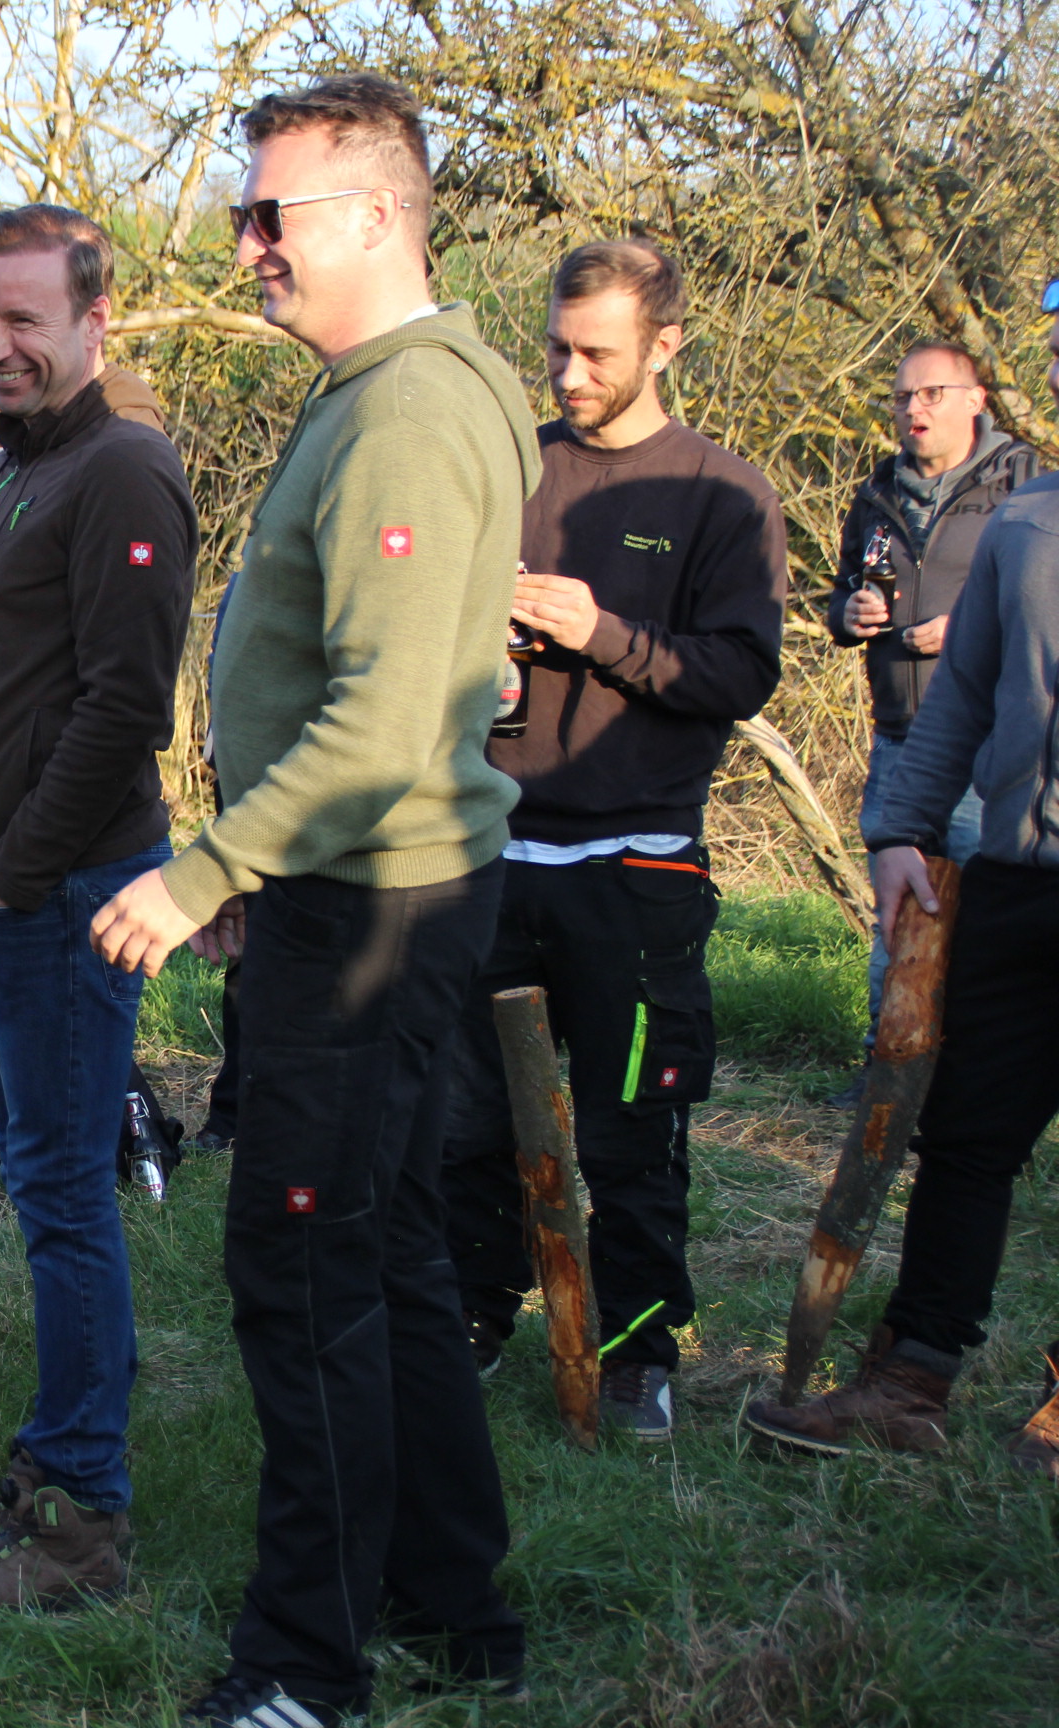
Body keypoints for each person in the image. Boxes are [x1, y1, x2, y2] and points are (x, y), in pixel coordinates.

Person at [89, 76, 539, 1724]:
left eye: (268, 214)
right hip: (359, 887)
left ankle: (303, 1669)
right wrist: (258, 867)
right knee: (387, 1248)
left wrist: (204, 867)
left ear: (372, 218)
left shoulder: (406, 412)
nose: (246, 244)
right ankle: (452, 1603)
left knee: (302, 1268)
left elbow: (387, 717)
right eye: (245, 214)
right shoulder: (385, 390)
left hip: (370, 915)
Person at [0, 211, 195, 1607]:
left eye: (26, 319)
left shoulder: (122, 469)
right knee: (47, 1188)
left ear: (94, 321)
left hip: (61, 893)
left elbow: (125, 709)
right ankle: (53, 1471)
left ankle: (80, 1520)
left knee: (65, 1200)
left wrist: (11, 877)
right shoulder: (20, 467)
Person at [439, 240, 788, 1443]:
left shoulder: (721, 492)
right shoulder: (514, 466)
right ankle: (473, 1319)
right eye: (556, 347)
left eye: (597, 352)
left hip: (636, 867)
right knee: (468, 1119)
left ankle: (638, 1353)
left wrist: (604, 634)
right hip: (490, 853)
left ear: (665, 346)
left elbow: (741, 673)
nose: (569, 373)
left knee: (636, 1126)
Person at [745, 283, 1059, 1480]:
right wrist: (896, 832)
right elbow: (963, 702)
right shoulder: (1027, 527)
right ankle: (911, 1380)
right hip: (1019, 878)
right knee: (967, 1135)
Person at [823, 339, 1038, 1091]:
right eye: (901, 396)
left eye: (931, 393)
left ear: (976, 400)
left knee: (983, 917)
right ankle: (886, 1073)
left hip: (990, 748)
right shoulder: (876, 492)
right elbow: (840, 591)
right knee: (898, 914)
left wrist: (974, 629)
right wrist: (849, 612)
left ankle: (973, 1079)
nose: (912, 409)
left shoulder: (1024, 487)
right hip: (897, 739)